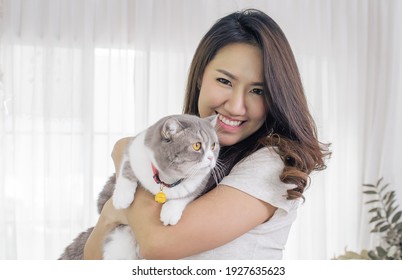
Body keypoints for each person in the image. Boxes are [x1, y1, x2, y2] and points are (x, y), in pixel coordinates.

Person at [84, 8, 330, 260]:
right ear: (201, 75)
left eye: (257, 91)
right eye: (225, 81)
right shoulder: (177, 155)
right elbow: (92, 258)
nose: (236, 106)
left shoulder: (272, 164)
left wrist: (128, 156)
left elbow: (158, 245)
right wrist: (111, 214)